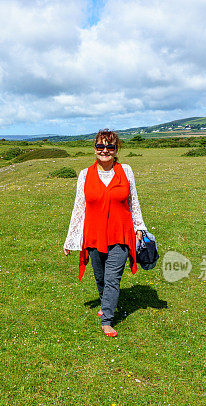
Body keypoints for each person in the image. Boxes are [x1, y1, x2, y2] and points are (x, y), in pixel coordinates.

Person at [63, 129, 147, 337]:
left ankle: (107, 319)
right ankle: (106, 303)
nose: (105, 151)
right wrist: (70, 239)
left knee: (112, 278)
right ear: (95, 149)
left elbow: (133, 201)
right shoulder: (85, 174)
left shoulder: (126, 171)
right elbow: (79, 207)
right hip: (94, 234)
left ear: (116, 149)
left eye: (110, 147)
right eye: (100, 146)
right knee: (100, 277)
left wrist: (139, 227)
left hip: (120, 233)